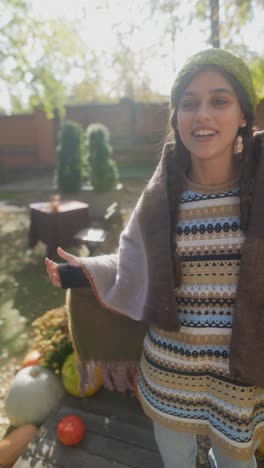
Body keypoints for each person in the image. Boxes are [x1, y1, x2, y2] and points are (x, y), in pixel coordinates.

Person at [46, 48, 264, 468]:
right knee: (177, 460)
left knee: (236, 461)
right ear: (176, 117)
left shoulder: (260, 193)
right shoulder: (161, 197)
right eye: (189, 103)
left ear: (242, 114)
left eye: (220, 100)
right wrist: (82, 272)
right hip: (170, 372)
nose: (203, 114)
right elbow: (133, 262)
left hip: (237, 377)